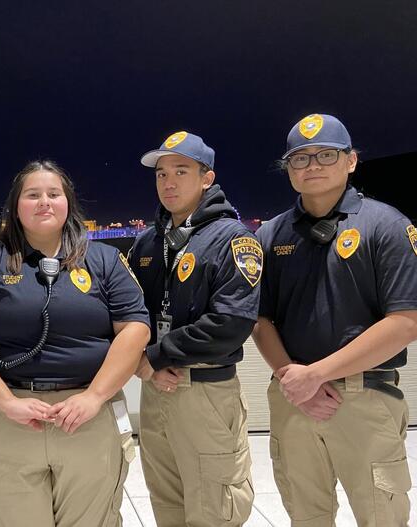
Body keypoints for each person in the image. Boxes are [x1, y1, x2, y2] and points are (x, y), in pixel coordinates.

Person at [0, 160, 150, 526]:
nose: (44, 202)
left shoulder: (104, 259)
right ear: (15, 206)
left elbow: (135, 328)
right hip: (9, 417)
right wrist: (6, 402)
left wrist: (94, 396)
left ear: (68, 203)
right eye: (33, 195)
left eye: (54, 194)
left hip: (88, 415)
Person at [253, 113, 417, 526]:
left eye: (326, 154)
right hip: (294, 400)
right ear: (288, 169)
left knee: (382, 516)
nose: (313, 166)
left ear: (351, 161)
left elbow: (405, 321)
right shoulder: (271, 235)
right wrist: (296, 379)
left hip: (365, 396)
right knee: (305, 515)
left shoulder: (388, 226)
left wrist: (317, 375)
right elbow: (260, 320)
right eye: (300, 158)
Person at [128, 131, 260, 526]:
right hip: (155, 392)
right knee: (166, 504)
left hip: (207, 394)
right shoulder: (148, 244)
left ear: (207, 178)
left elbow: (230, 323)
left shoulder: (232, 239)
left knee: (215, 510)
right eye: (161, 174)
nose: (168, 182)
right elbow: (128, 313)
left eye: (181, 171)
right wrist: (141, 362)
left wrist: (153, 356)